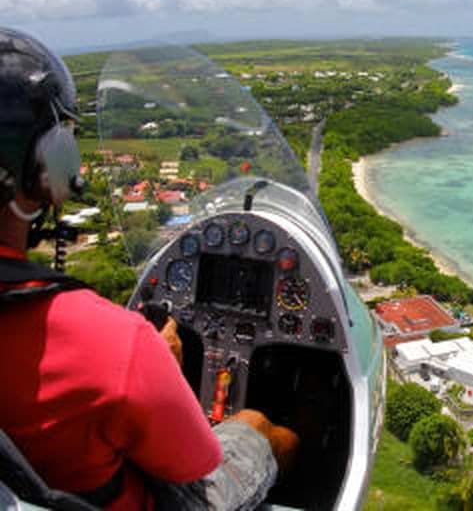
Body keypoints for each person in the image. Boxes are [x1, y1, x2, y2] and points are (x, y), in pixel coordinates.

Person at [0, 27, 299, 510]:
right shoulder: (112, 343)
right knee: (261, 427)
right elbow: (194, 466)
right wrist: (163, 375)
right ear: (49, 165)